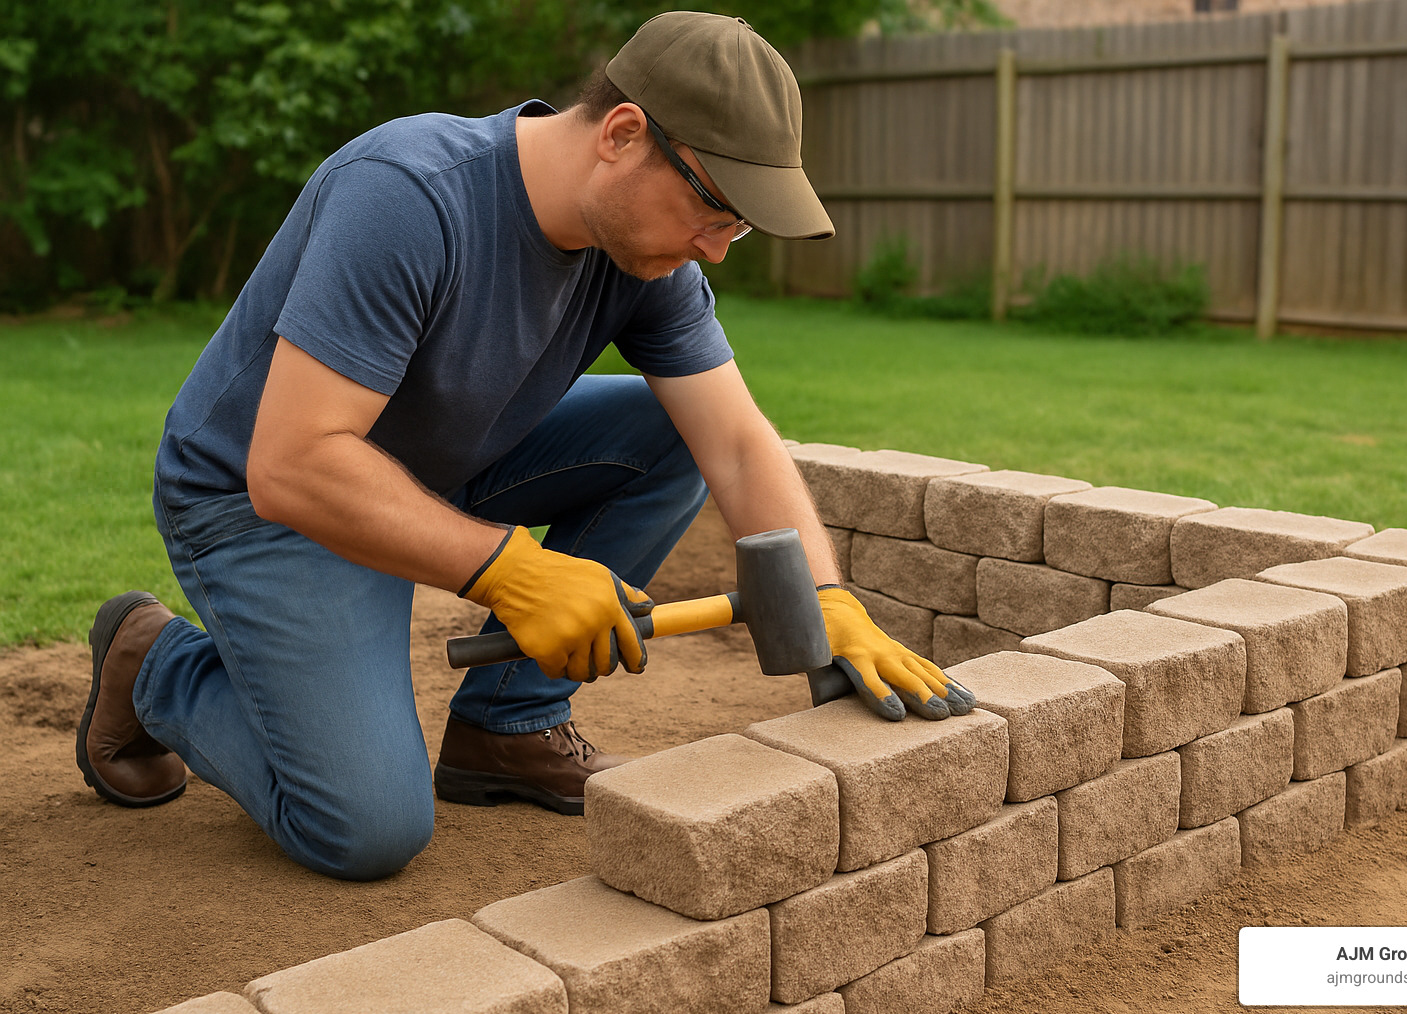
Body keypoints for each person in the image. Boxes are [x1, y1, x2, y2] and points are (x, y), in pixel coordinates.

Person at [75, 11, 975, 881]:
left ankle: (507, 726)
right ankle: (152, 659)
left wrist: (825, 597)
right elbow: (292, 465)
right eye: (715, 209)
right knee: (365, 830)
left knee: (672, 433)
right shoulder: (409, 194)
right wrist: (514, 573)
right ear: (623, 134)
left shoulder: (645, 257)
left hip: (441, 461)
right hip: (262, 500)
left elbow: (736, 441)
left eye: (736, 226)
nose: (718, 249)